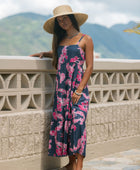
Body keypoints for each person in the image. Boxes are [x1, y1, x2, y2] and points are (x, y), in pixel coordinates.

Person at [30, 4, 94, 170]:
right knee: (65, 125)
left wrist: (79, 90)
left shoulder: (85, 39)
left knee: (78, 124)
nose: (62, 22)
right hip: (61, 91)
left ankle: (79, 163)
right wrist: (45, 53)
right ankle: (71, 162)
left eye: (65, 18)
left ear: (72, 19)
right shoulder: (60, 41)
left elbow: (89, 67)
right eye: (59, 20)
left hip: (78, 91)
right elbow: (63, 53)